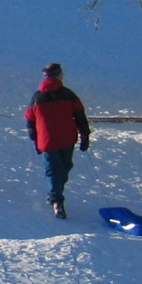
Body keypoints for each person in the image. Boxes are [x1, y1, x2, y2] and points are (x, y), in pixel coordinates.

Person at [25, 62, 91, 218]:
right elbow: (80, 116)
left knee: (53, 169)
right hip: (67, 138)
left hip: (47, 141)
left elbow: (29, 119)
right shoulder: (69, 94)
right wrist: (85, 135)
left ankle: (55, 196)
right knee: (64, 167)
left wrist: (34, 138)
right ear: (59, 75)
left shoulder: (37, 97)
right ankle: (57, 200)